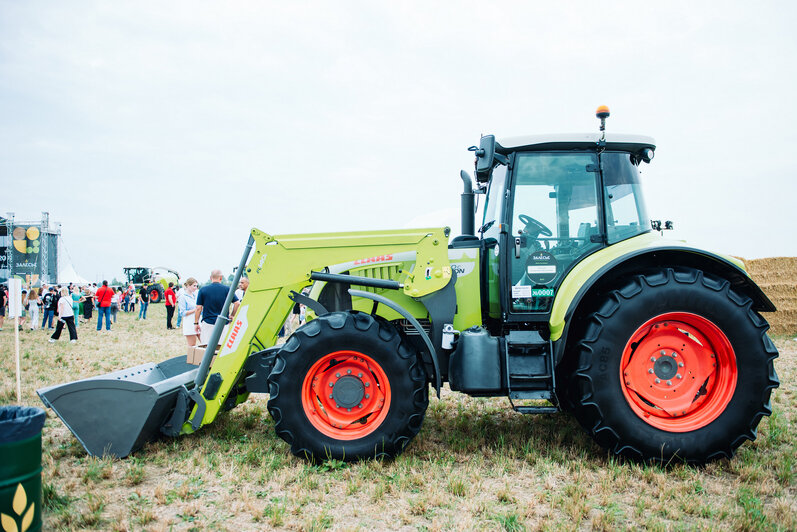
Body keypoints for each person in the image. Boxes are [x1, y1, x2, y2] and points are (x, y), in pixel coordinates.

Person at [195, 270, 239, 345]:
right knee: (221, 348)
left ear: (210, 277)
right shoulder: (227, 289)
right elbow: (237, 303)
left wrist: (196, 323)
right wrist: (232, 315)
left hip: (208, 322)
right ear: (221, 278)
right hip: (223, 323)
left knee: (206, 346)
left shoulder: (203, 290)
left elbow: (198, 308)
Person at [178, 278, 200, 346]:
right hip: (189, 322)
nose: (195, 288)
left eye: (196, 286)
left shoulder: (196, 295)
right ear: (188, 286)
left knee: (205, 342)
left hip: (198, 321)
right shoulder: (183, 297)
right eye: (194, 286)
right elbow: (182, 312)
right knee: (192, 345)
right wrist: (195, 310)